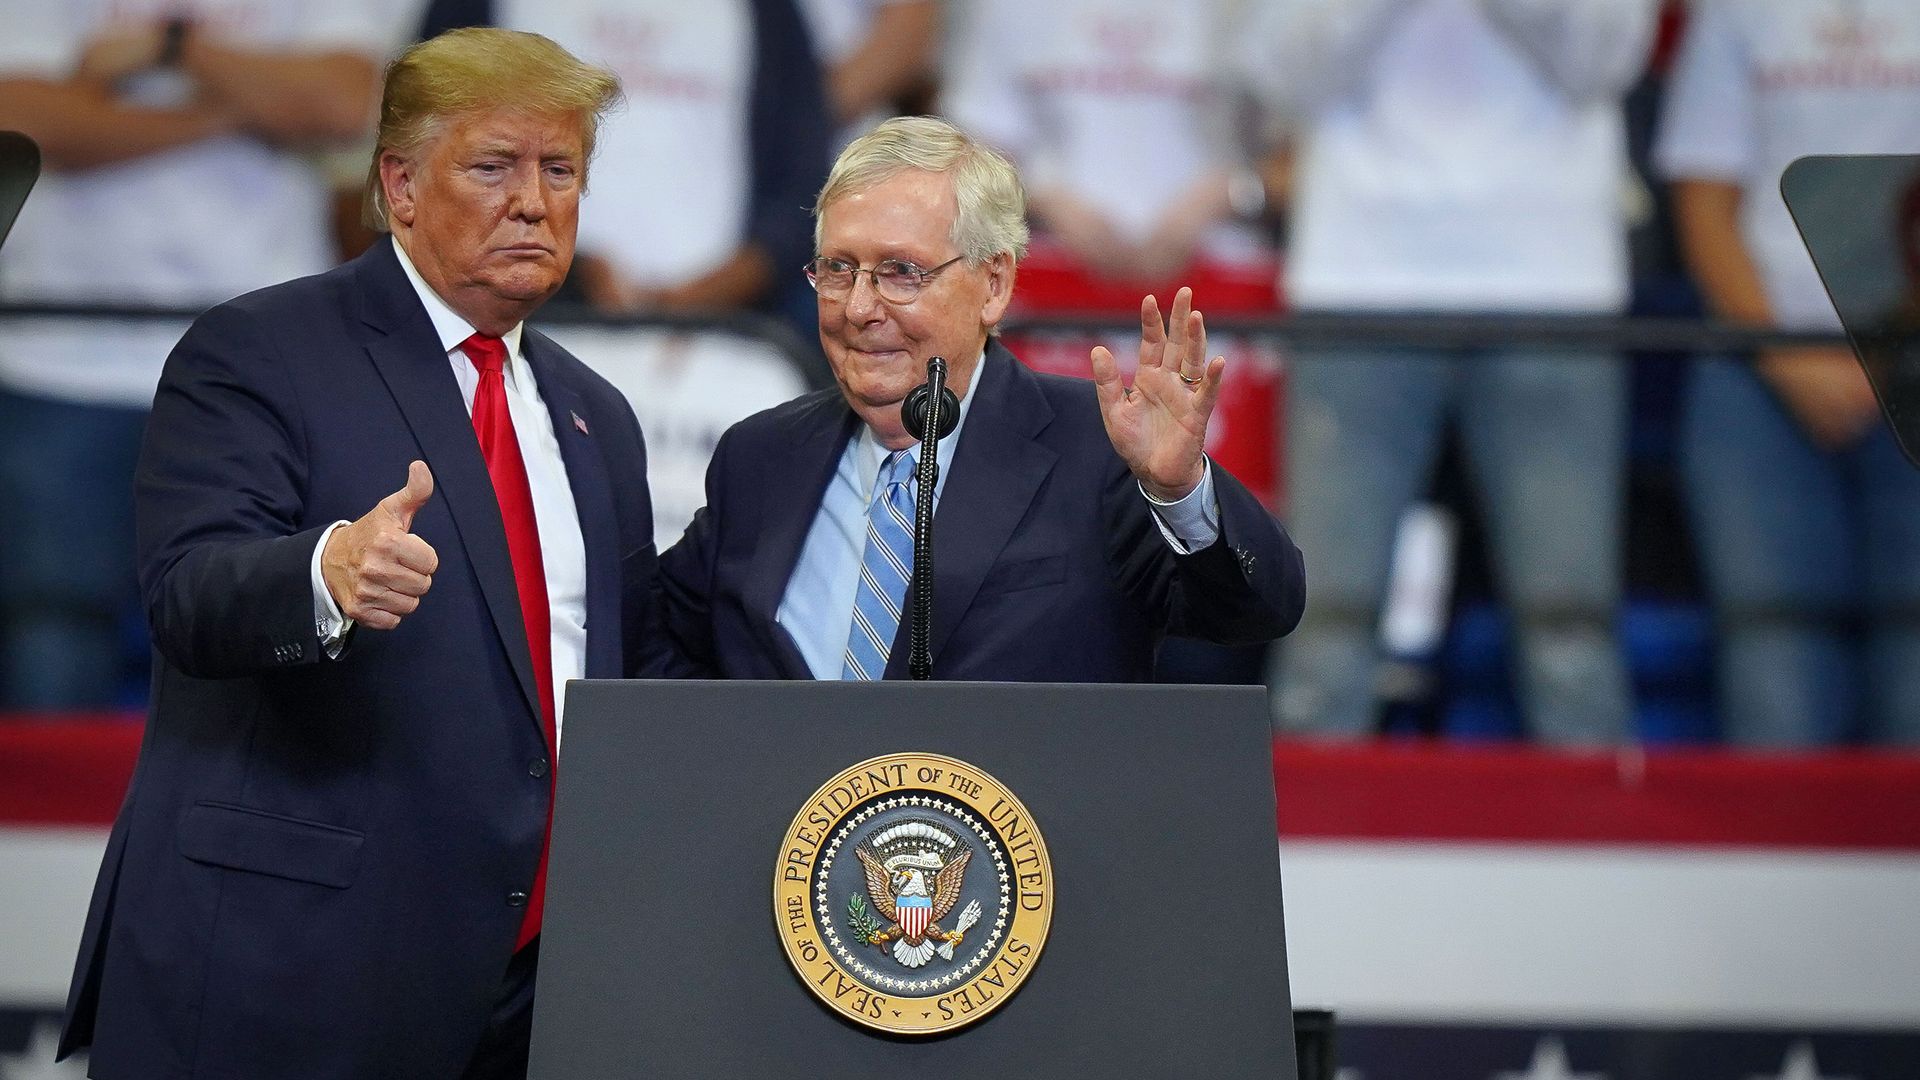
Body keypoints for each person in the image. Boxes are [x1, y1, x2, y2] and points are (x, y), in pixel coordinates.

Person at [58, 29, 665, 1080]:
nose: (534, 201)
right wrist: (323, 574)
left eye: (559, 170)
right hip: (288, 971)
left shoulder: (593, 415)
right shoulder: (260, 349)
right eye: (493, 167)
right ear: (400, 185)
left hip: (524, 997)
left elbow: (618, 674)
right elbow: (189, 594)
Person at [656, 115, 1304, 681]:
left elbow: (1258, 609)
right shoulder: (761, 458)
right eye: (837, 269)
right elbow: (656, 649)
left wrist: (1182, 492)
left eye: (900, 273)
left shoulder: (1100, 450)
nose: (858, 307)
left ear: (993, 285)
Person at [1247, 0, 1658, 744]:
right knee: (1325, 634)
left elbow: (1607, 63)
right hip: (1360, 279)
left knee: (1571, 632)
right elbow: (1284, 76)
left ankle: (1601, 843)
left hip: (1551, 282)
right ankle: (1295, 857)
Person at [0, 2, 386, 709]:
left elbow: (341, 102)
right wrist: (242, 112)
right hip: (57, 356)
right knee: (49, 644)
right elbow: (22, 119)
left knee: (256, 641)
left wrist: (166, 49)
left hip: (258, 365)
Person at [1656, 0, 1920, 747]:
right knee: (1777, 691)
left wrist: (1885, 344)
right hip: (1757, 368)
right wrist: (1785, 355)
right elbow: (1704, 198)